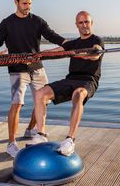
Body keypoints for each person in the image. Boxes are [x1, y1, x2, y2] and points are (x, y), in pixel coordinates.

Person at [0, 0, 66, 157]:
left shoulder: (37, 21)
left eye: (30, 3)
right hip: (17, 69)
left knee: (43, 101)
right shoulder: (7, 23)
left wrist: (67, 43)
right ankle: (11, 143)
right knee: (17, 104)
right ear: (16, 2)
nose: (27, 7)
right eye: (24, 3)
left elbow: (52, 36)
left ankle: (31, 130)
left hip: (37, 67)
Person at [26, 11, 104, 156]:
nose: (84, 25)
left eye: (86, 22)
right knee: (40, 93)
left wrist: (85, 54)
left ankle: (70, 140)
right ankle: (41, 134)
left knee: (78, 94)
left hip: (88, 80)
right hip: (70, 79)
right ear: (76, 25)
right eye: (81, 23)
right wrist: (37, 55)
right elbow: (55, 51)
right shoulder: (73, 44)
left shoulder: (97, 41)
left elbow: (96, 54)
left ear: (91, 23)